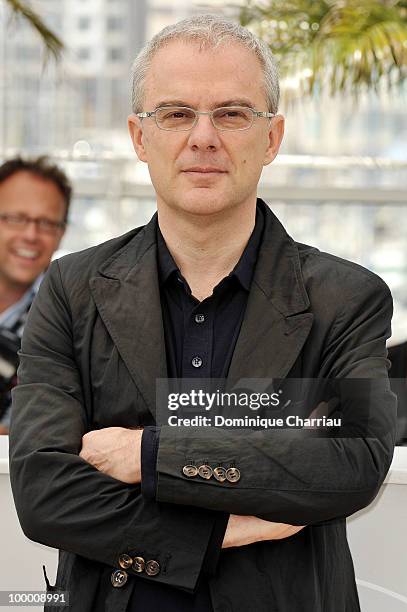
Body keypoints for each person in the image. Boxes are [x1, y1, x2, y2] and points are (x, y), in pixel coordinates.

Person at [9, 14, 396, 612]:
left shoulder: (347, 298)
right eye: (176, 113)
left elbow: (355, 464)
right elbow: (43, 490)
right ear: (140, 137)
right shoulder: (72, 289)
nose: (204, 137)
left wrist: (148, 454)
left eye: (233, 113)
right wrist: (217, 533)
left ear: (272, 137)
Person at [0, 156, 70, 434]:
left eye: (46, 223)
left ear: (61, 234)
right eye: (16, 219)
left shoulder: (67, 323)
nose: (31, 235)